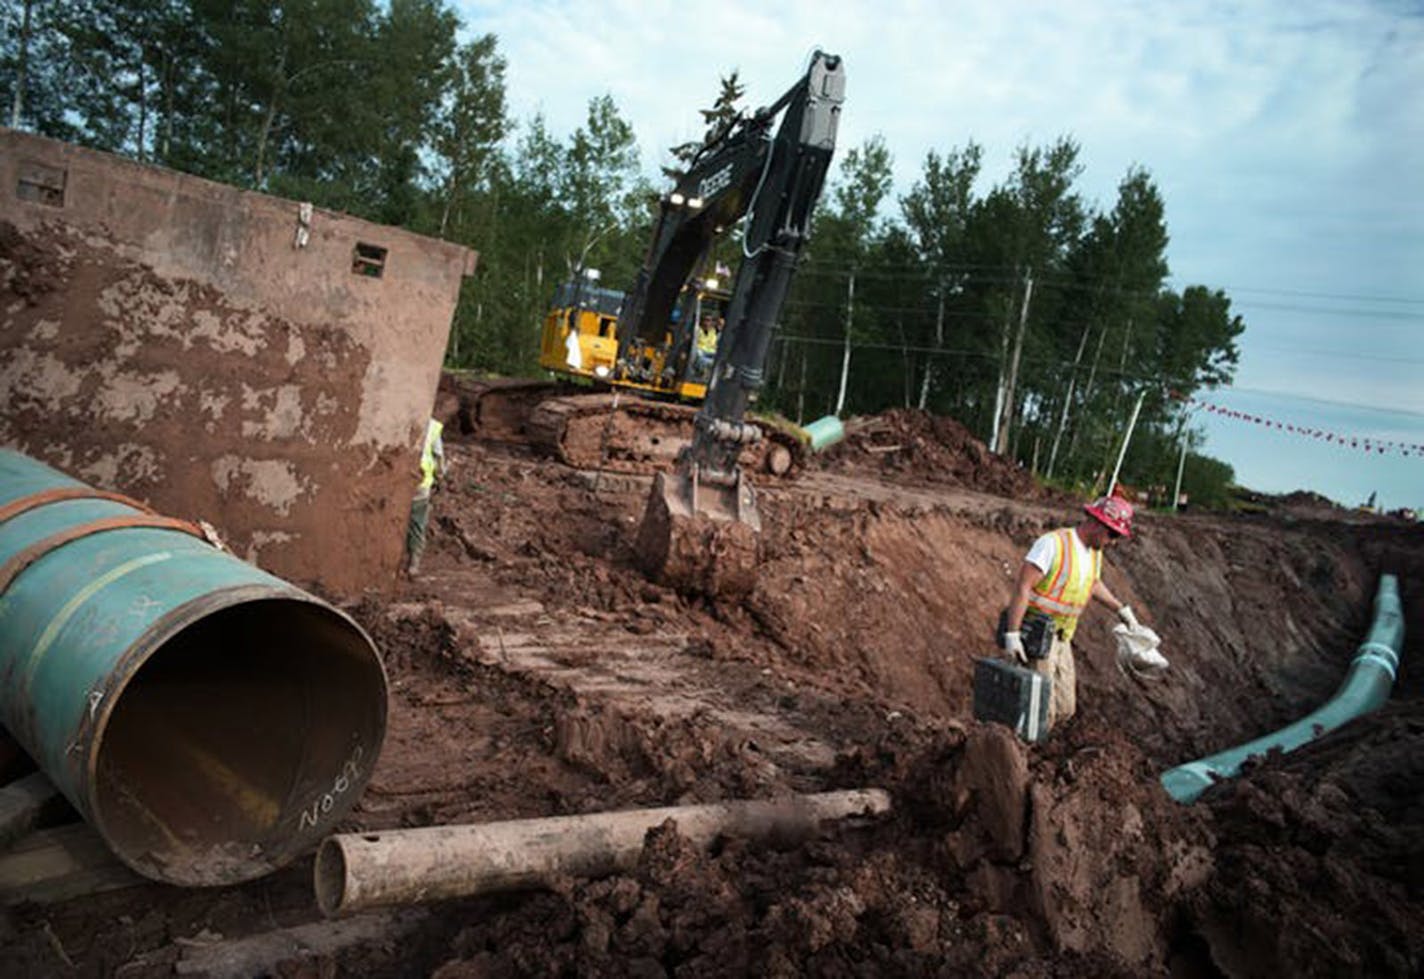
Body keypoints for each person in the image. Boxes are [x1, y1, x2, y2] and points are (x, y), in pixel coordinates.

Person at [1000, 495, 1164, 731]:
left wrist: (1121, 609)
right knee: (1040, 710)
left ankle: (1035, 737)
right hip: (1036, 634)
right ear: (1097, 524)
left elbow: (1093, 583)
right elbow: (1023, 587)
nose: (1113, 542)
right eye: (1113, 534)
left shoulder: (1093, 553)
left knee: (1066, 706)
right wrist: (1012, 634)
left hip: (1062, 637)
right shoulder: (1053, 544)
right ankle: (1024, 748)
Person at [404, 404, 450, 578]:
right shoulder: (433, 427)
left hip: (399, 482)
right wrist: (440, 477)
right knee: (416, 523)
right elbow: (439, 458)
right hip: (420, 484)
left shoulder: (401, 421)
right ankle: (413, 563)